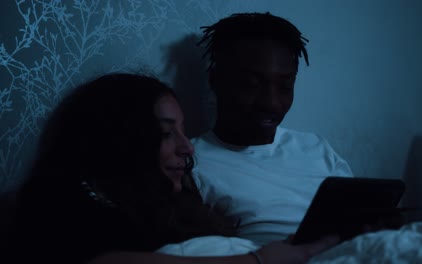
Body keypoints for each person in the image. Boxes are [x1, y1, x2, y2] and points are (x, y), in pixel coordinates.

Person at [6, 73, 338, 264]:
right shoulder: (58, 197)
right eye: (167, 133)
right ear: (120, 139)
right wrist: (260, 261)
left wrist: (298, 248)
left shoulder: (168, 204)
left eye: (182, 130)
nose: (187, 146)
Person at [192, 12, 354, 246]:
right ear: (215, 79)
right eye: (250, 84)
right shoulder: (192, 161)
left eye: (285, 86)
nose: (271, 103)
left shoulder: (316, 148)